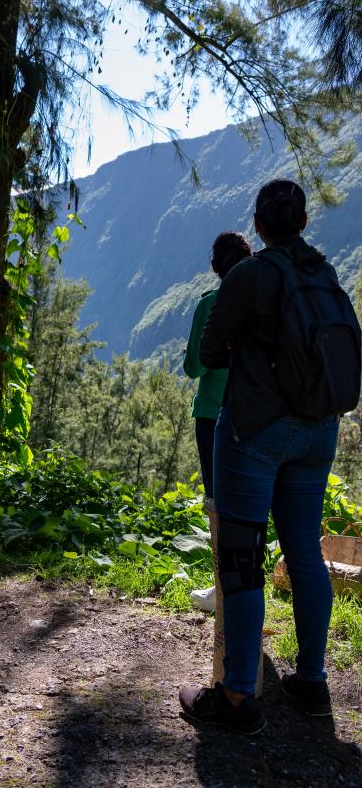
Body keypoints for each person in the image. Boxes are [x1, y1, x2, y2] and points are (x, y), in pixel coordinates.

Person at [179, 179, 356, 734]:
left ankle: (235, 698)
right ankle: (312, 681)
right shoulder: (325, 274)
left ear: (258, 225)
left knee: (241, 555)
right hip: (318, 430)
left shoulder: (250, 275)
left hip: (256, 430)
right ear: (302, 223)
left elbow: (209, 352)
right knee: (304, 549)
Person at [183, 232, 252, 612]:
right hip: (257, 414)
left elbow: (194, 365)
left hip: (213, 414)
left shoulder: (210, 304)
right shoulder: (263, 303)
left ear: (216, 267)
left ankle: (221, 590)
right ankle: (245, 586)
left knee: (217, 503)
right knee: (250, 502)